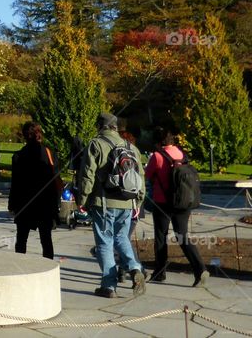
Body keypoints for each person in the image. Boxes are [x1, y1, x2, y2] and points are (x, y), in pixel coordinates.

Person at [74, 112, 147, 299]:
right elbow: (140, 177)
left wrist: (82, 200)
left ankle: (109, 286)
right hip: (128, 201)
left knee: (104, 243)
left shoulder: (96, 144)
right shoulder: (131, 147)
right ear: (115, 127)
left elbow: (87, 175)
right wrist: (138, 201)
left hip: (103, 202)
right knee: (122, 238)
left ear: (100, 126)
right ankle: (134, 268)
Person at [144, 127, 208, 286]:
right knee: (182, 236)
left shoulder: (157, 156)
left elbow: (147, 175)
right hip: (182, 201)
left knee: (161, 237)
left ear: (158, 142)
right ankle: (200, 269)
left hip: (162, 202)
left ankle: (160, 272)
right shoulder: (181, 154)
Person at [8, 122, 59, 260]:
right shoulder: (49, 153)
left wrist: (12, 204)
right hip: (45, 202)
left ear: (25, 136)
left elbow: (15, 183)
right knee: (46, 240)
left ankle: (20, 266)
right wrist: (56, 204)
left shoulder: (19, 156)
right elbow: (55, 180)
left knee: (21, 240)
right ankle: (48, 268)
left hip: (25, 202)